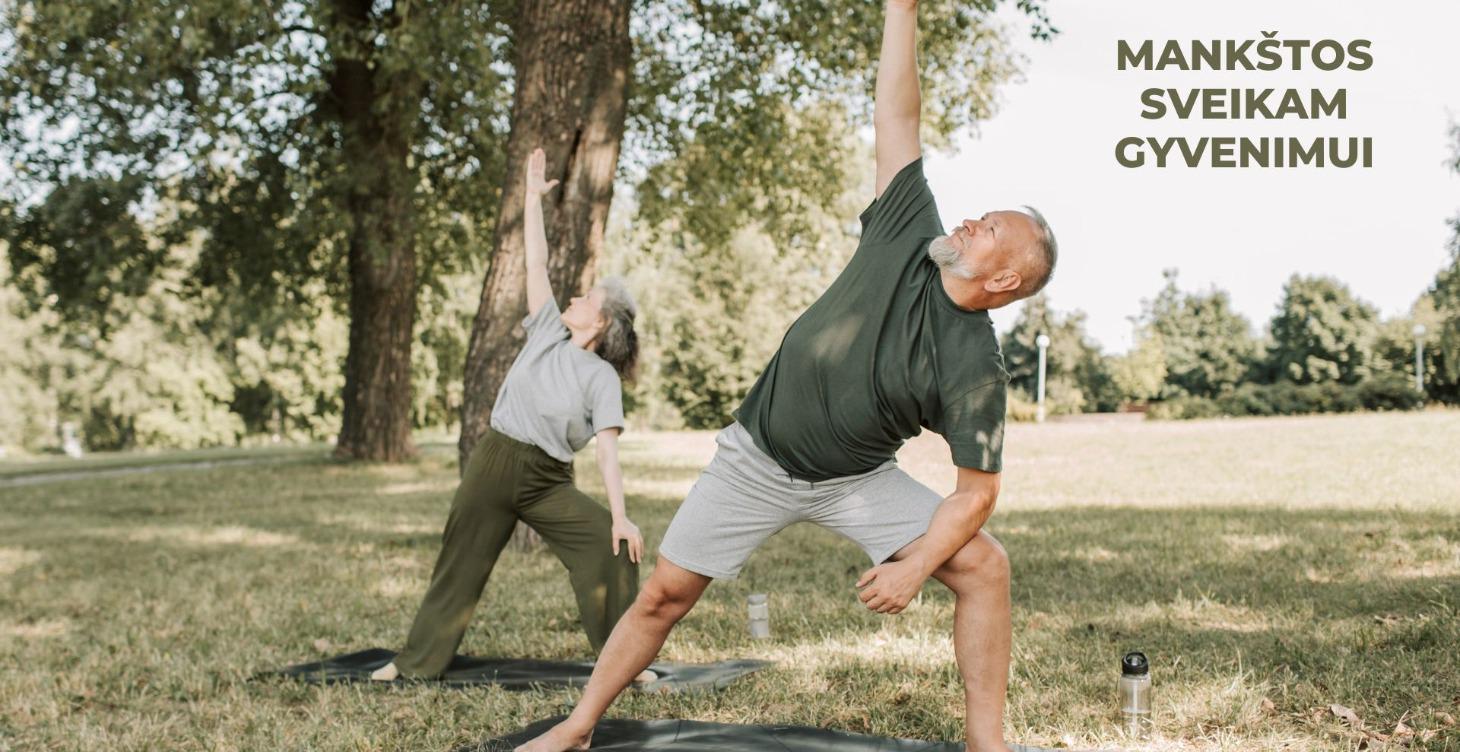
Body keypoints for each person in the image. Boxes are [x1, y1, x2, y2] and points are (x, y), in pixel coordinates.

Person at [517, 1, 1060, 750]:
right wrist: (901, 11)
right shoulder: (910, 228)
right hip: (758, 456)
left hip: (855, 479)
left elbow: (978, 494)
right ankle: (578, 729)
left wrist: (917, 567)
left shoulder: (976, 365)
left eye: (990, 229)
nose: (970, 222)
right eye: (980, 215)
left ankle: (986, 745)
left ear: (1003, 281)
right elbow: (897, 116)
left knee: (983, 567)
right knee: (665, 596)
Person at [371, 147, 651, 682]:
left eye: (585, 297)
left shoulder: (601, 379)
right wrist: (530, 200)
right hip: (496, 462)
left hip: (548, 480)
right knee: (461, 563)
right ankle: (415, 664)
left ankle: (625, 664)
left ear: (600, 322)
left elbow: (609, 454)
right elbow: (537, 261)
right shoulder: (547, 328)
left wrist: (619, 515)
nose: (574, 294)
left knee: (609, 544)